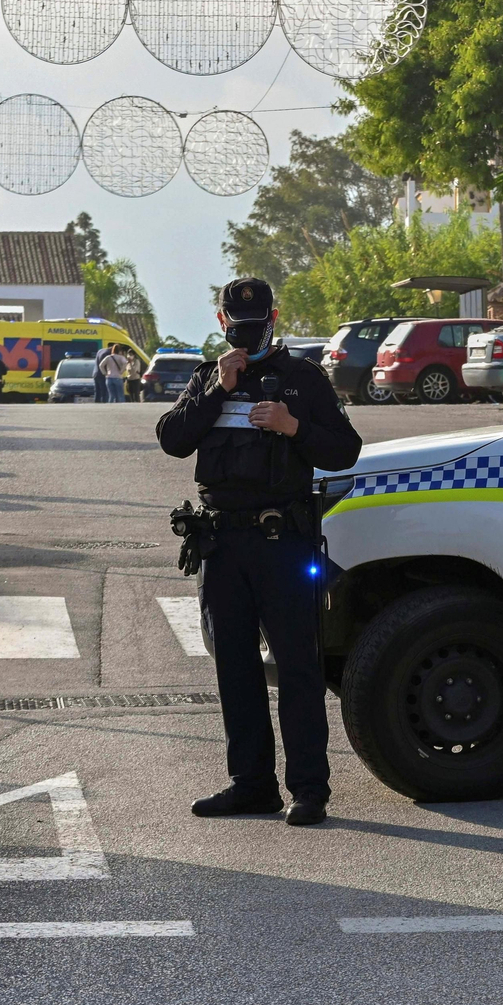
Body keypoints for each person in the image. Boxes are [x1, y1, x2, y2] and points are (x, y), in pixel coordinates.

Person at [157, 277, 362, 826]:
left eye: (258, 319)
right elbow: (172, 438)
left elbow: (346, 449)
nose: (248, 329)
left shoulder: (302, 379)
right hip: (223, 544)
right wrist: (216, 391)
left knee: (298, 666)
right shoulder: (209, 376)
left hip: (282, 542)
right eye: (237, 321)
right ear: (222, 322)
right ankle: (251, 785)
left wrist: (294, 427)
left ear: (275, 314)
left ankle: (308, 790)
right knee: (235, 671)